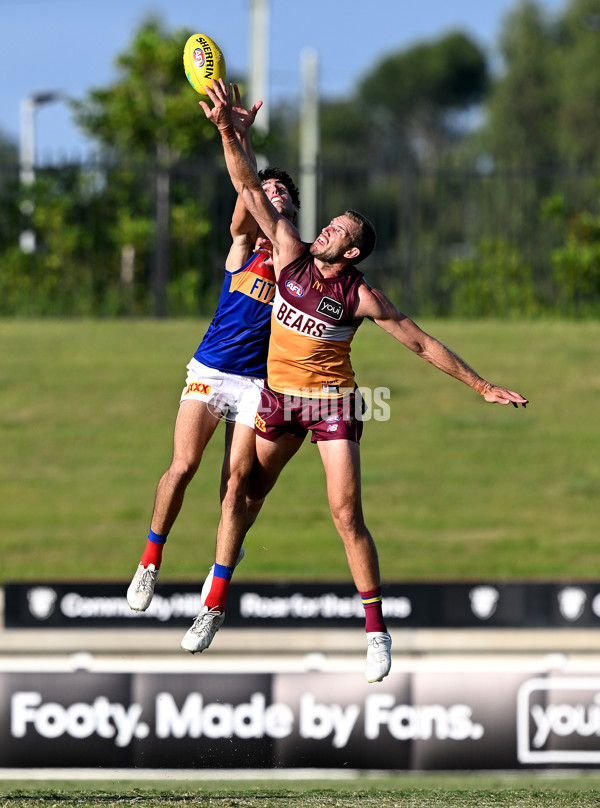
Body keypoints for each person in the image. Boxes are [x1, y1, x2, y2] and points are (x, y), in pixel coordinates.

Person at [179, 79, 529, 684]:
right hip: (279, 399)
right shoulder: (287, 251)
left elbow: (420, 342)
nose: (328, 229)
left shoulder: (359, 295)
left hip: (332, 405)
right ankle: (213, 604)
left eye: (339, 229)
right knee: (240, 494)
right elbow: (244, 186)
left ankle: (376, 632)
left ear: (353, 251)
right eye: (331, 223)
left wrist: (481, 386)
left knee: (346, 515)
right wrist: (229, 133)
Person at [126, 88, 300, 613]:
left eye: (282, 194)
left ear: (293, 207)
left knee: (237, 486)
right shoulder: (242, 245)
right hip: (211, 369)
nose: (271, 197)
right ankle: (149, 562)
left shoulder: (299, 261)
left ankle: (216, 592)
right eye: (265, 191)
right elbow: (245, 191)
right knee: (183, 466)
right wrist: (238, 135)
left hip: (257, 385)